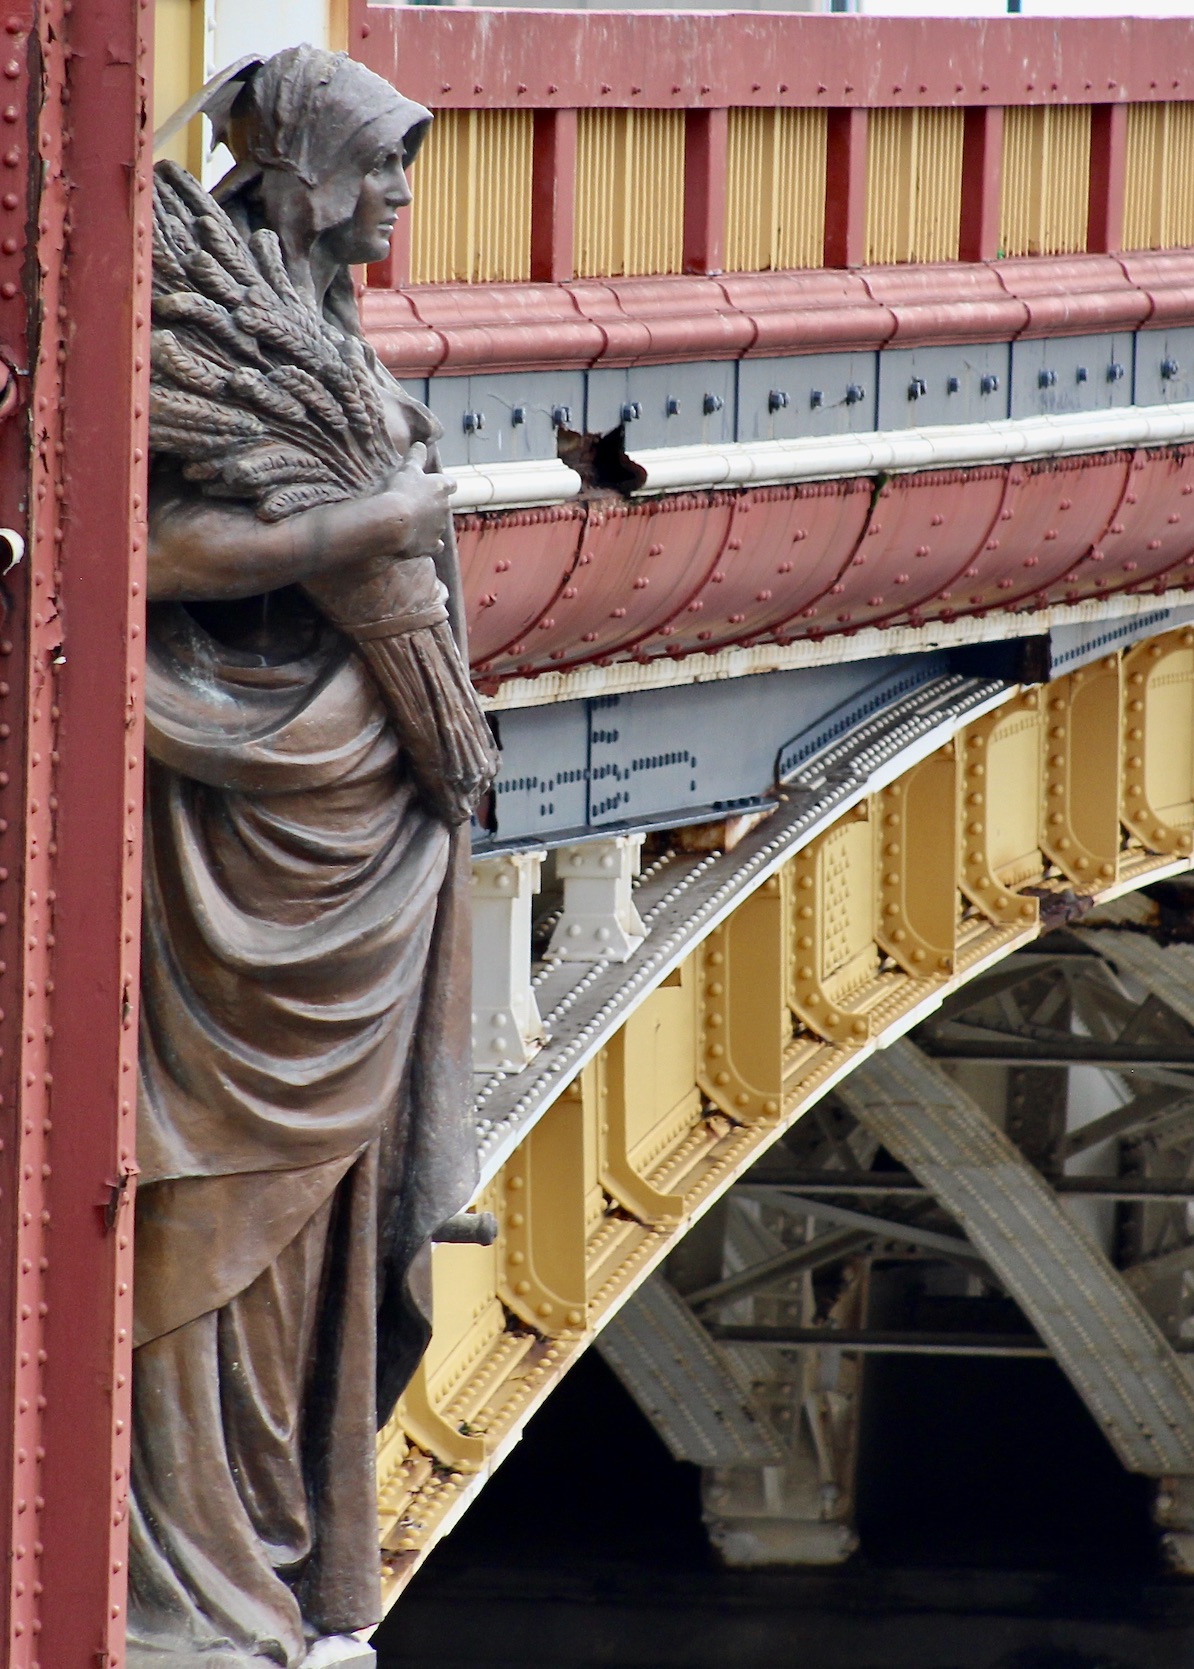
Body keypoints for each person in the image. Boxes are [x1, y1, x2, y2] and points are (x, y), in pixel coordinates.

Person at [130, 46, 482, 1669]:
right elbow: (136, 547)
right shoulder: (214, 333)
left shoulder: (318, 338)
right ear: (312, 174)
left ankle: (262, 1555)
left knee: (319, 1237)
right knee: (220, 1222)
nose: (406, 198)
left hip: (356, 842)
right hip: (246, 847)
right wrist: (356, 534)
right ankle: (190, 1575)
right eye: (387, 167)